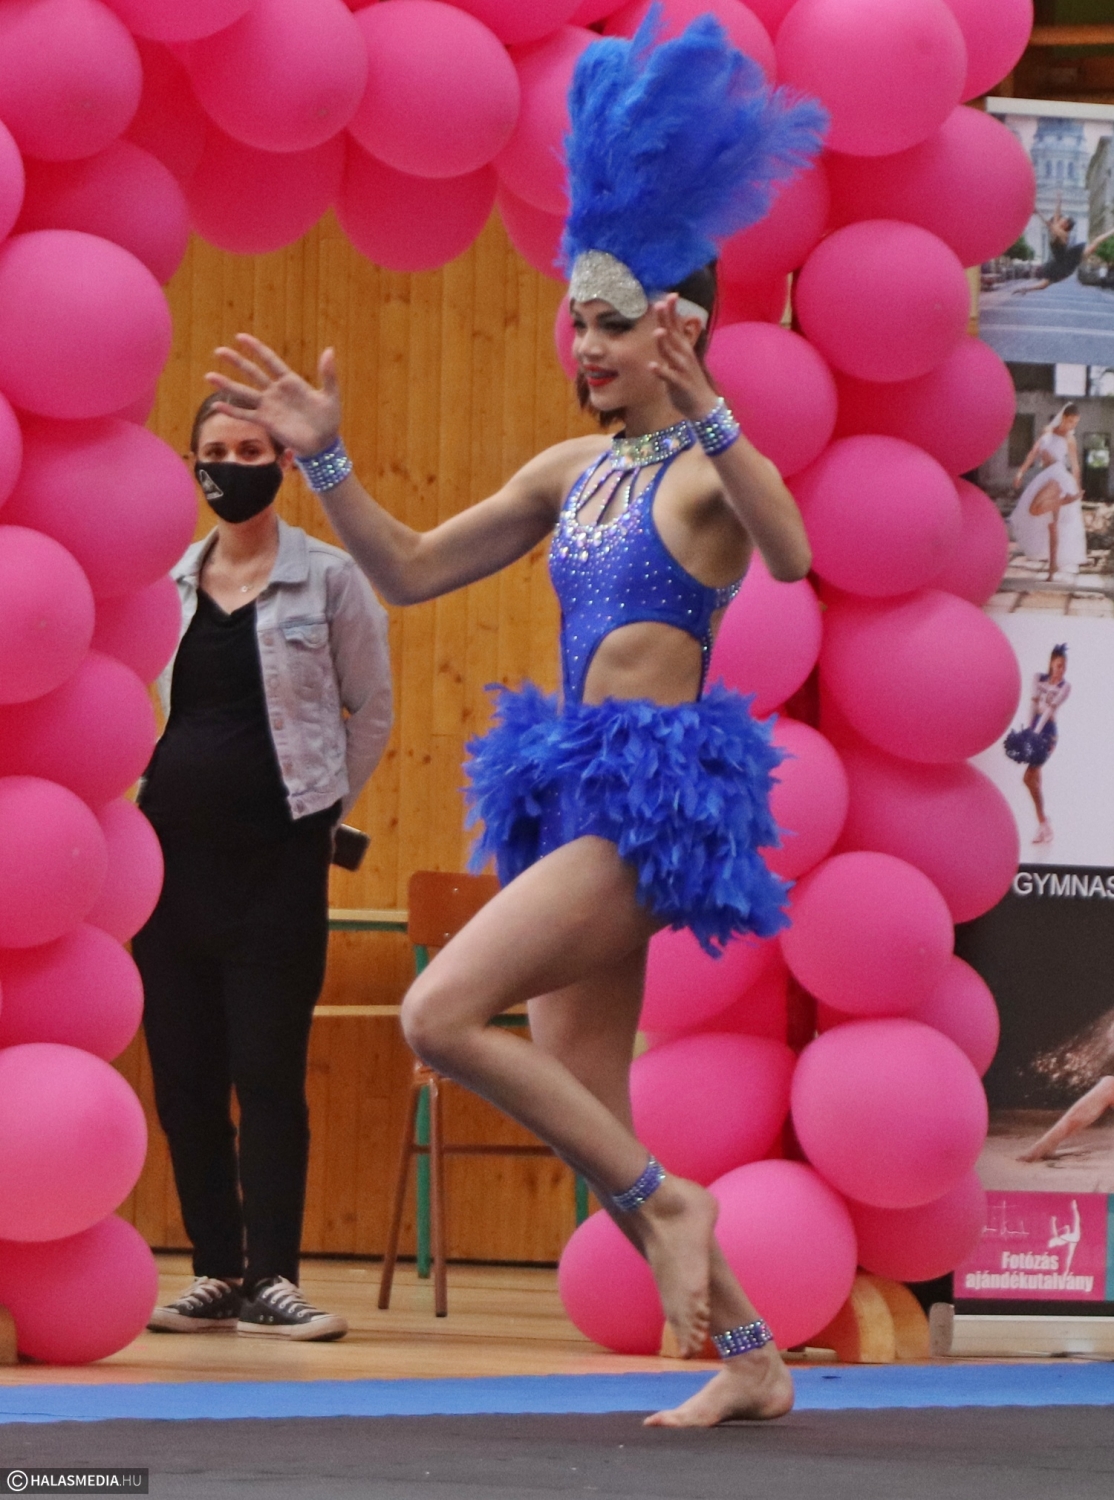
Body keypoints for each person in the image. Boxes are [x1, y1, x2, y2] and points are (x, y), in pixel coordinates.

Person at [208, 15, 825, 1425]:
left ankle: (678, 1210)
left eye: (612, 320)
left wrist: (716, 412)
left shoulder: (704, 477)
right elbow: (410, 570)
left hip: (651, 807)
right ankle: (751, 1358)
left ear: (675, 326)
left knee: (436, 1013)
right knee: (585, 1101)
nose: (585, 344)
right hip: (569, 796)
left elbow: (791, 554)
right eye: (578, 321)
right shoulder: (571, 469)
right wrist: (329, 463)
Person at [134, 392, 392, 1341]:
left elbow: (372, 710)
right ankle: (217, 1269)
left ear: (283, 463)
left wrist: (320, 813)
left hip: (277, 869)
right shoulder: (160, 584)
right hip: (165, 868)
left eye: (251, 450)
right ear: (192, 463)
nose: (231, 465)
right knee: (185, 1077)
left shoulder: (329, 579)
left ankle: (275, 1277)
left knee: (267, 1071)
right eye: (216, 450)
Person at [1009, 406, 1086, 581]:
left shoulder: (1070, 439)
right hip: (1045, 476)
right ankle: (1064, 501)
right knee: (1033, 509)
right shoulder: (1047, 432)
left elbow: (1075, 466)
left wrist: (1078, 487)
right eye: (1071, 421)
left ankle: (1052, 568)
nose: (1073, 425)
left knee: (1053, 525)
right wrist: (1020, 472)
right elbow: (1033, 453)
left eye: (1075, 423)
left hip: (1059, 477)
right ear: (1063, 417)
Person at [1004, 644, 1070, 845]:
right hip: (1034, 729)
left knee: (1028, 778)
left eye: (1064, 666)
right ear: (1051, 663)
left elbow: (1049, 711)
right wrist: (1028, 730)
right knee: (1035, 780)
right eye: (1058, 665)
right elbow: (1033, 704)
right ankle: (1042, 826)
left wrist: (1035, 733)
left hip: (1048, 733)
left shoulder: (1065, 686)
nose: (1061, 670)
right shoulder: (1038, 678)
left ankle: (1044, 823)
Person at [1012, 194, 1114, 295]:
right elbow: (1056, 215)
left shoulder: (1063, 234)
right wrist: (1058, 201)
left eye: (1063, 219)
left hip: (1067, 259)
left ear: (1065, 225)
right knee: (1045, 284)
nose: (1061, 219)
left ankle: (1112, 231)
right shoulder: (1058, 228)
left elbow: (1051, 225)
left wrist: (1038, 212)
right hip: (1061, 262)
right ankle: (1025, 289)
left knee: (1094, 244)